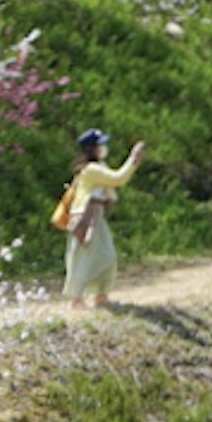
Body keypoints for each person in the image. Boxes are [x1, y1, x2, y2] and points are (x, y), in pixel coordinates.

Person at [59, 128, 145, 306]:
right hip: (85, 217)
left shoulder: (98, 168)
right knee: (84, 257)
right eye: (101, 145)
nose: (104, 147)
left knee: (106, 256)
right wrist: (133, 160)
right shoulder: (91, 169)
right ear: (92, 148)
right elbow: (118, 178)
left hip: (96, 216)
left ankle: (100, 295)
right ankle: (76, 300)